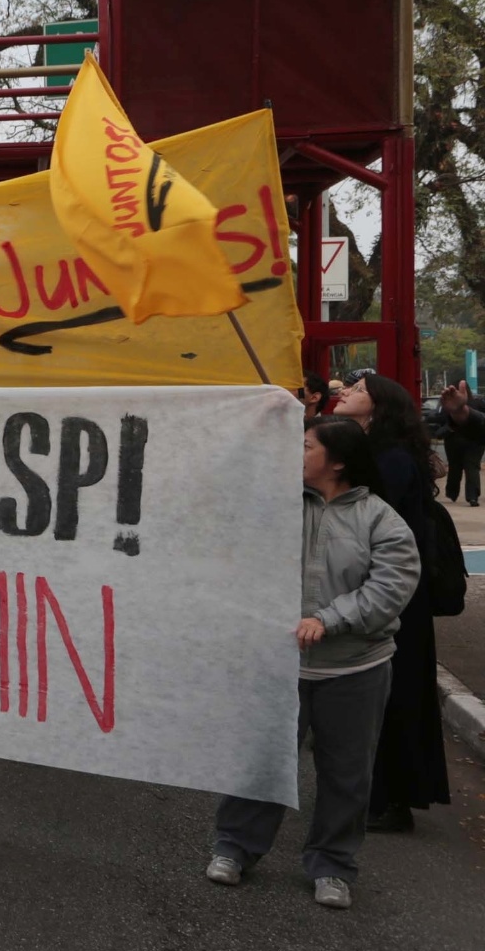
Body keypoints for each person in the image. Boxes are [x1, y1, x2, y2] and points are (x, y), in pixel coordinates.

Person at [207, 417, 418, 910]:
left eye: (304, 445)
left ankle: (332, 865)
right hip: (279, 665)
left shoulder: (381, 520)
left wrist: (328, 618)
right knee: (259, 761)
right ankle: (234, 848)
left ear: (337, 459)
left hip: (355, 668)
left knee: (347, 772)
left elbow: (390, 589)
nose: (295, 453)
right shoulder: (277, 507)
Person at [335, 374, 452, 831]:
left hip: (395, 594)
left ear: (379, 407)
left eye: (358, 389)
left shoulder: (392, 459)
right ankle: (382, 794)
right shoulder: (380, 453)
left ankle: (392, 799)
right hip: (386, 591)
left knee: (395, 692)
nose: (346, 392)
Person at [437, 379, 483, 507]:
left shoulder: (447, 404)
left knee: (455, 467)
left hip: (454, 441)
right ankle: (472, 496)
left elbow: (440, 419)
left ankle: (452, 493)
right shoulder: (477, 403)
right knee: (472, 468)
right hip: (476, 441)